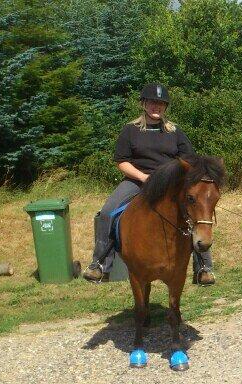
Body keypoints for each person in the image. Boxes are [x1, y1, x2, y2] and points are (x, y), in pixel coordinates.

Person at [82, 84, 216, 285]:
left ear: (165, 107)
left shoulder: (175, 131)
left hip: (170, 184)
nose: (157, 107)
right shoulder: (130, 130)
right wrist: (143, 177)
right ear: (144, 104)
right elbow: (122, 161)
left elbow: (189, 160)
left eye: (161, 103)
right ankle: (100, 264)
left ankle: (204, 268)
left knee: (193, 213)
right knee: (108, 212)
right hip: (137, 181)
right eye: (153, 102)